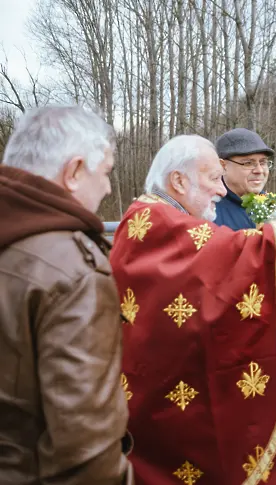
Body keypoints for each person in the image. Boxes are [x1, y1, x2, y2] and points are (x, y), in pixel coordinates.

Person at [109, 133, 276, 485]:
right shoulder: (161, 225)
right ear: (178, 181)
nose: (222, 191)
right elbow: (248, 254)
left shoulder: (147, 219)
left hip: (153, 403)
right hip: (168, 409)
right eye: (212, 179)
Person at [0, 105, 133, 484]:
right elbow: (86, 452)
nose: (108, 188)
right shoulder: (73, 272)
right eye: (105, 173)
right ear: (74, 172)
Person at [214, 128, 275, 230]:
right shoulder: (208, 212)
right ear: (223, 166)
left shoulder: (274, 207)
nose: (259, 170)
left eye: (263, 162)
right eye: (248, 163)